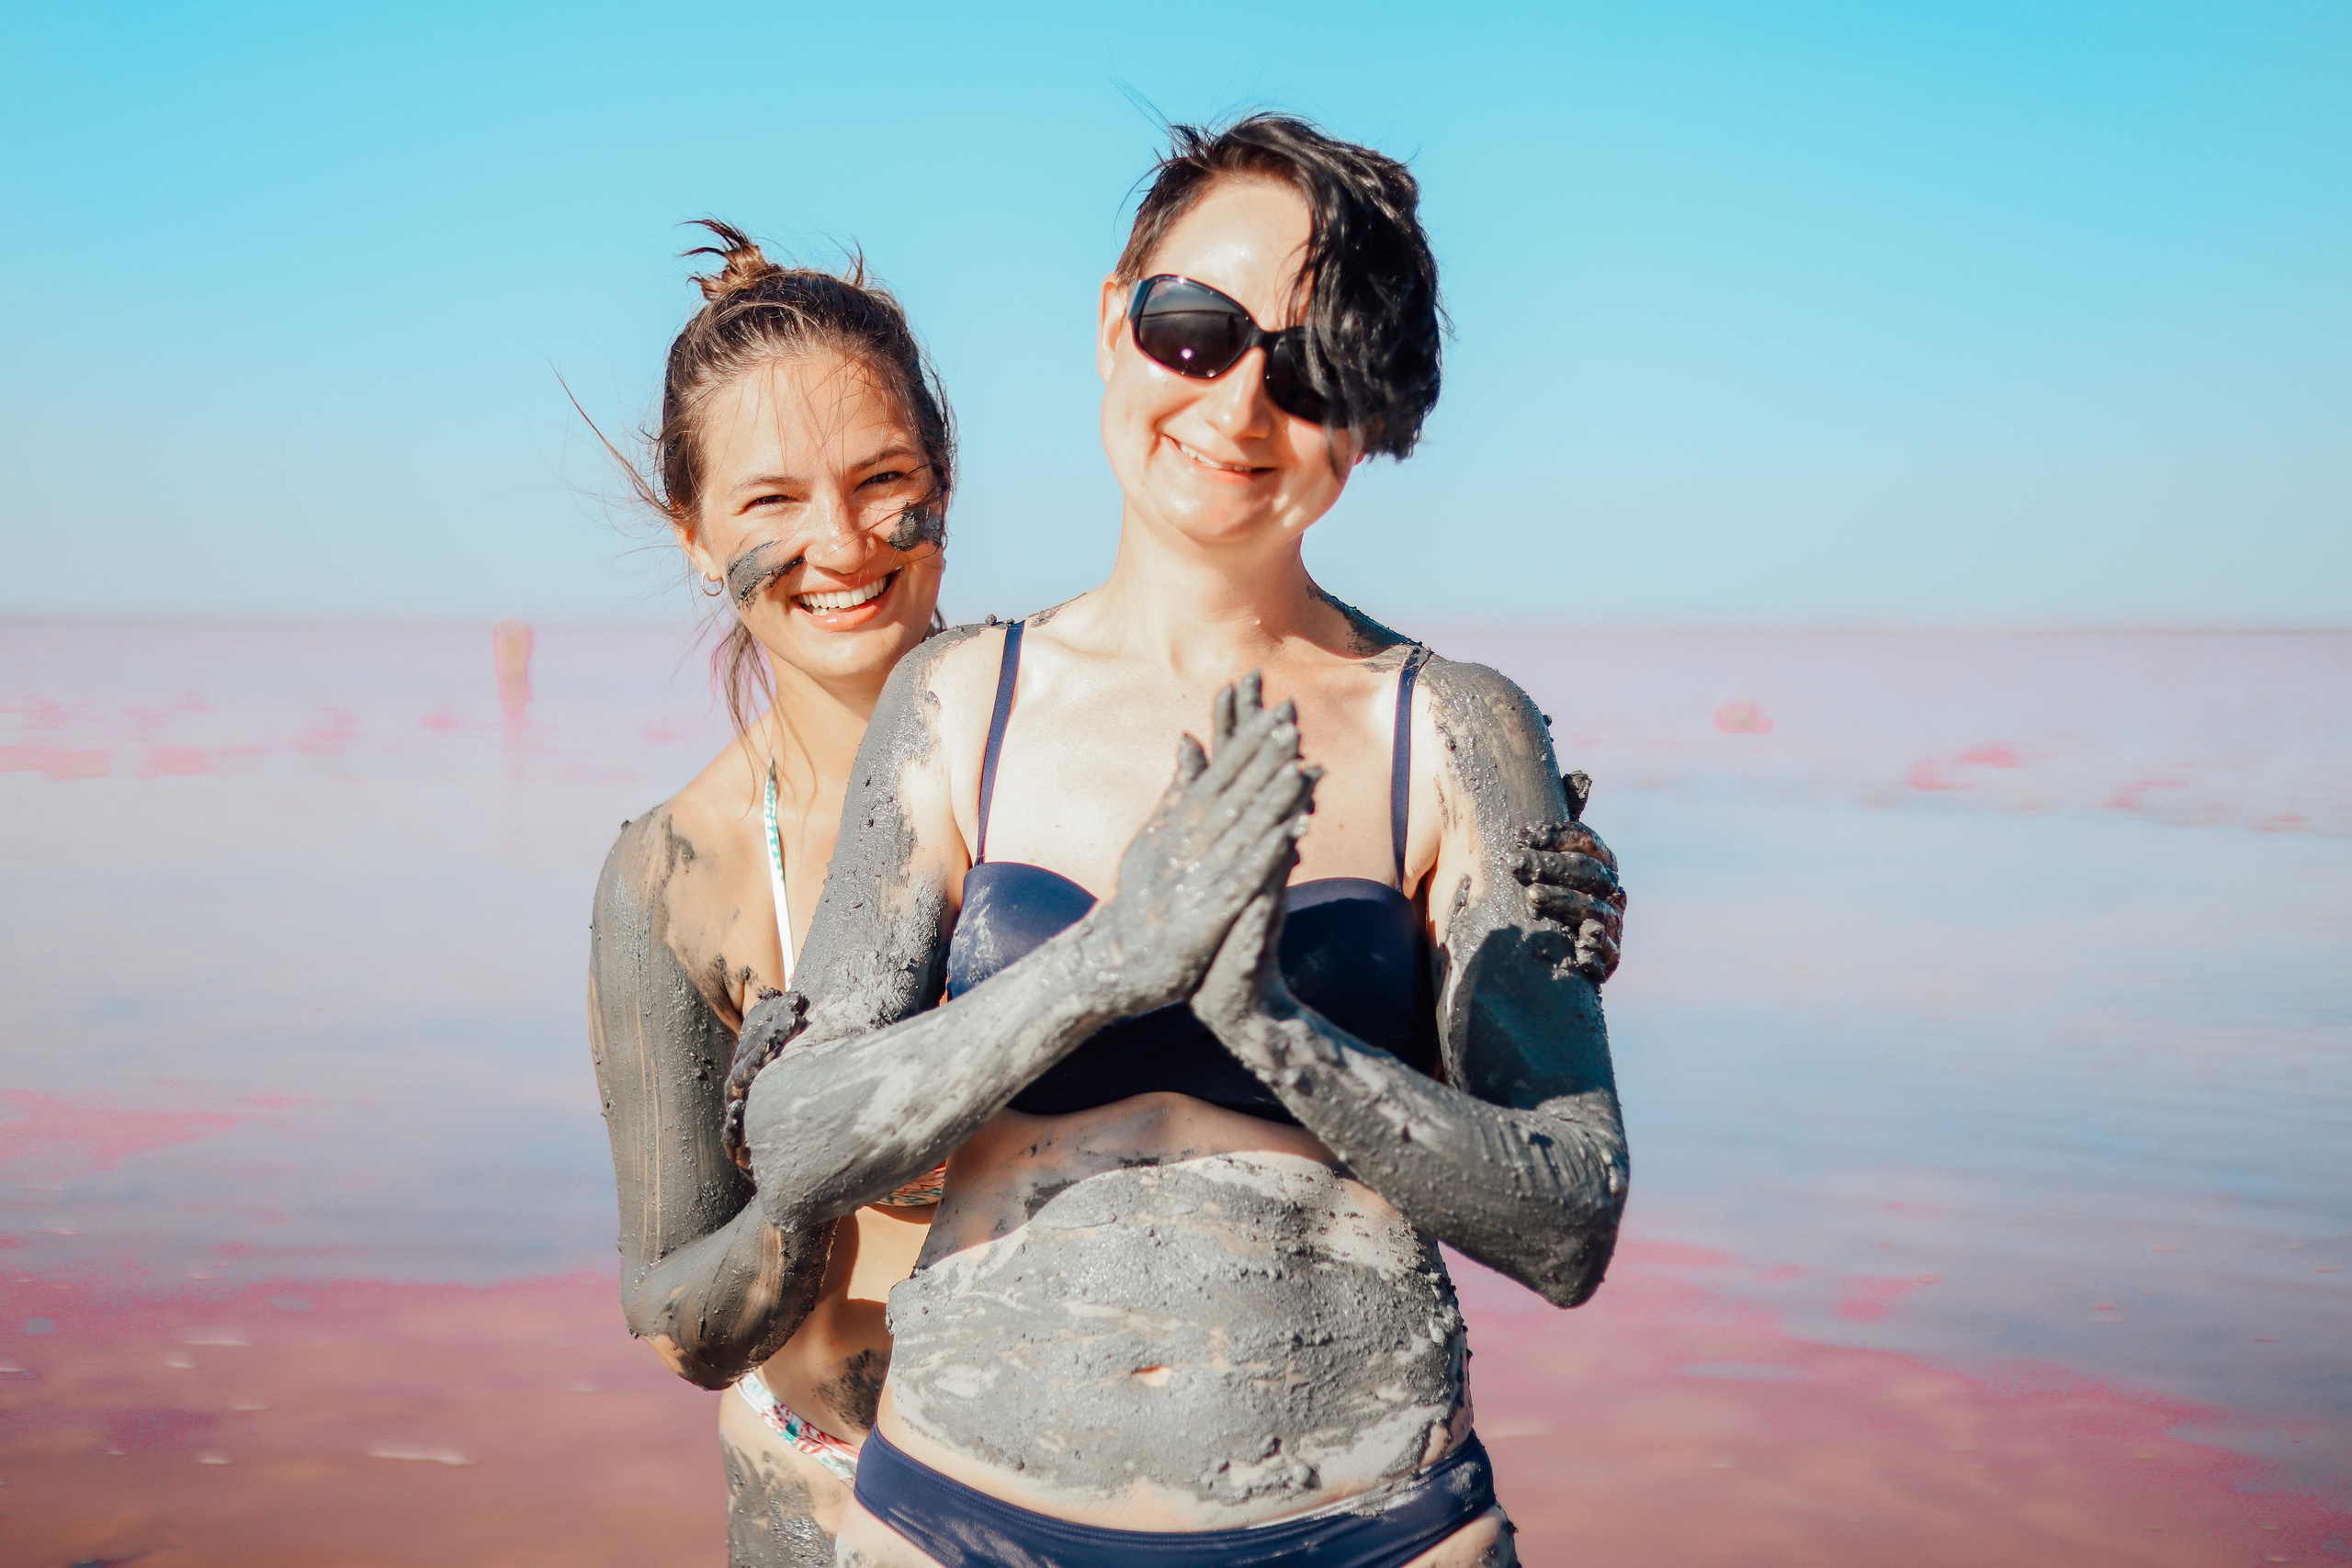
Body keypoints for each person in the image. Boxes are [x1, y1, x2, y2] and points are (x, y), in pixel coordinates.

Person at [586, 216, 1628, 1564]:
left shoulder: (1032, 738)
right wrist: (798, 1172)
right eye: (769, 504)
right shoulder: (682, 868)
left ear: (947, 487)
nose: (840, 545)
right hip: (837, 1484)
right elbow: (673, 1313)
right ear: (691, 532)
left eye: (883, 481)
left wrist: (1505, 946)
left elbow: (1403, 1057)